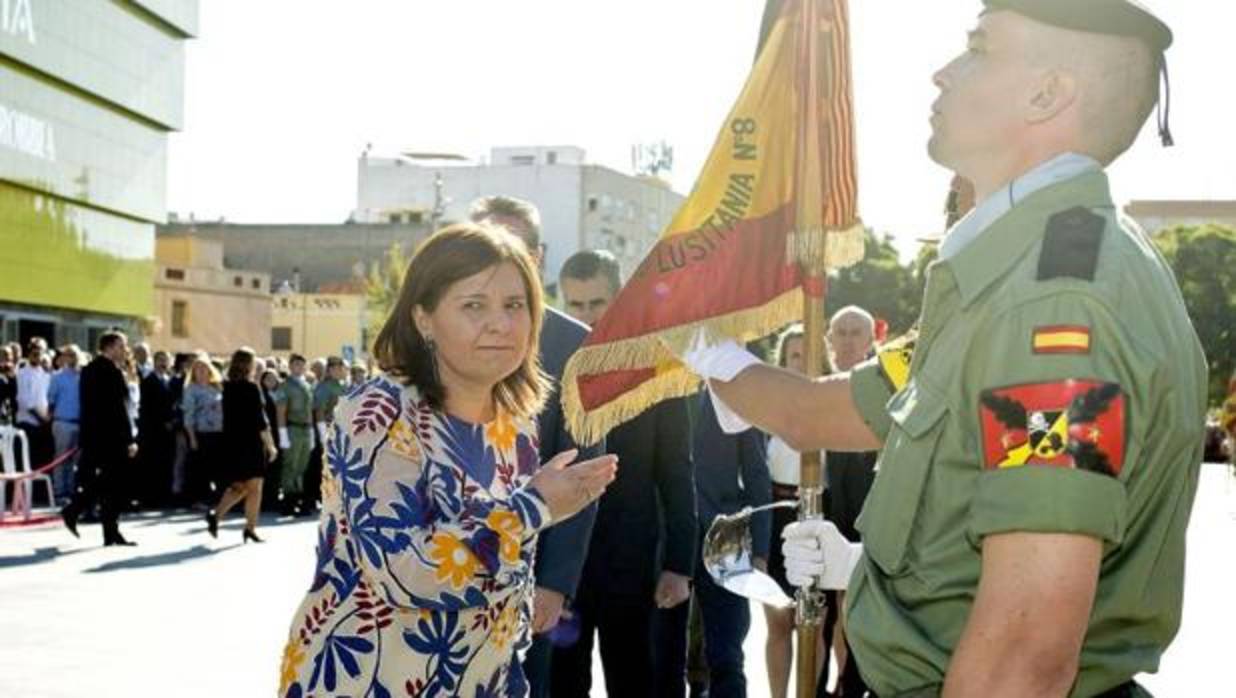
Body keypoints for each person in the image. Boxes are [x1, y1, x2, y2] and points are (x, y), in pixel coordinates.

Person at [685, 3, 1206, 696]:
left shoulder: (1049, 303)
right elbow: (821, 415)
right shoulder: (1010, 277)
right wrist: (707, 349)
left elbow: (1022, 657)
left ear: (1046, 94)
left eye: (978, 50)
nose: (942, 73)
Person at [278, 223, 618, 698]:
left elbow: (504, 578)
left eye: (515, 305)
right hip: (368, 680)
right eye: (474, 305)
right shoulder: (379, 411)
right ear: (423, 318)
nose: (500, 324)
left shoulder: (515, 421)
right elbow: (403, 571)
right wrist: (535, 506)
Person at [469, 195, 604, 698]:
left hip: (528, 577)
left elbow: (584, 472)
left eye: (513, 245)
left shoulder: (576, 348)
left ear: (538, 256)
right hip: (442, 571)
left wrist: (554, 582)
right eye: (483, 245)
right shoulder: (433, 334)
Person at [550, 250, 698, 698]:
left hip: (633, 566)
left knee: (636, 682)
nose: (586, 316)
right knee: (560, 686)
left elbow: (677, 471)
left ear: (619, 299)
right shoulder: (547, 367)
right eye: (574, 305)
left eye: (597, 303)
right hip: (561, 568)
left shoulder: (658, 366)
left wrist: (678, 563)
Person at [692, 386, 769, 698]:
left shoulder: (732, 388)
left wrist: (760, 550)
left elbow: (756, 473)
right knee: (662, 659)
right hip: (665, 536)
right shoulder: (656, 384)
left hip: (728, 538)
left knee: (727, 657)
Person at [61, 331, 139, 546]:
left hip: (95, 436)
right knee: (112, 484)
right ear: (110, 347)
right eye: (121, 346)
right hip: (110, 438)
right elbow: (118, 410)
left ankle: (107, 530)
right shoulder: (110, 371)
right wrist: (128, 439)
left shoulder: (90, 370)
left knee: (107, 484)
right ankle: (77, 511)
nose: (125, 350)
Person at [205, 348, 276, 543]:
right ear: (248, 365)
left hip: (231, 442)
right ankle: (250, 528)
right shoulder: (251, 388)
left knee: (239, 487)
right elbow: (260, 421)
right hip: (250, 442)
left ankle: (216, 516)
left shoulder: (226, 387)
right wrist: (270, 446)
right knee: (254, 487)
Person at [275, 354, 315, 515]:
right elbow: (281, 411)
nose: (299, 368)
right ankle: (288, 501)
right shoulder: (285, 386)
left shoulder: (306, 385)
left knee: (302, 466)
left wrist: (312, 431)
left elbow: (309, 410)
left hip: (305, 429)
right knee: (290, 466)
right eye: (296, 365)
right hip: (292, 428)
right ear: (290, 367)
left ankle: (299, 498)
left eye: (302, 365)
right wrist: (282, 433)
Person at [182, 356, 224, 504]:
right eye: (198, 368)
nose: (201, 371)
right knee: (201, 468)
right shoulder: (191, 389)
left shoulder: (216, 387)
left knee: (218, 466)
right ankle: (199, 499)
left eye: (204, 367)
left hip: (219, 431)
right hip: (202, 432)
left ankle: (219, 498)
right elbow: (188, 414)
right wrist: (192, 437)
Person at [138, 350, 178, 508]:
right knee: (152, 465)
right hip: (153, 431)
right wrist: (162, 422)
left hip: (168, 431)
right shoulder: (148, 381)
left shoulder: (170, 381)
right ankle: (150, 498)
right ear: (154, 362)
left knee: (166, 464)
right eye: (160, 360)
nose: (163, 363)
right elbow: (148, 407)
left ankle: (164, 496)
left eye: (166, 360)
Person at [47, 344, 83, 505]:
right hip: (62, 422)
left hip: (80, 423)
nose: (72, 358)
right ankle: (59, 492)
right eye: (69, 355)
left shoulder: (83, 376)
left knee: (76, 460)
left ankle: (72, 490)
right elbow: (51, 400)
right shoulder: (58, 376)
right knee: (61, 459)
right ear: (64, 358)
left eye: (75, 354)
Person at [15, 337, 53, 471]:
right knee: (25, 463)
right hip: (27, 425)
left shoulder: (46, 375)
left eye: (40, 352)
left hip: (42, 425)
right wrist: (42, 419)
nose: (37, 355)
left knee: (40, 463)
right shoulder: (22, 373)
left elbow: (47, 399)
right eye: (34, 352)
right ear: (29, 352)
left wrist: (47, 419)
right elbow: (25, 401)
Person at [0, 344, 16, 425]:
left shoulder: (14, 374)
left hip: (10, 416)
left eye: (10, 355)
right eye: (5, 355)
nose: (8, 358)